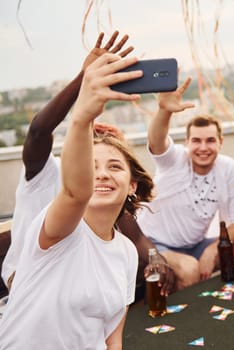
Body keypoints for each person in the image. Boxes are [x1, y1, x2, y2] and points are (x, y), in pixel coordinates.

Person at [1, 31, 176, 297]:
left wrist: (158, 261)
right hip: (28, 279)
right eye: (95, 158)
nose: (102, 172)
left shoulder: (108, 195)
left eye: (114, 164)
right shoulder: (47, 173)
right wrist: (86, 79)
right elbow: (38, 131)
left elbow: (141, 242)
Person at [0, 53, 153, 349]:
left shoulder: (125, 252)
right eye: (93, 165)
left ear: (132, 185)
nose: (103, 175)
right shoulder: (62, 228)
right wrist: (82, 113)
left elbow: (112, 336)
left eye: (115, 167)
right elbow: (75, 192)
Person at [136, 91, 234, 290]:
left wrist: (212, 250)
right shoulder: (174, 160)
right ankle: (194, 320)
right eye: (196, 141)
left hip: (196, 246)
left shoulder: (227, 167)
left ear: (220, 142)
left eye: (210, 140)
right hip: (155, 244)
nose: (203, 147)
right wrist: (164, 111)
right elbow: (156, 141)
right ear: (187, 142)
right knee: (190, 268)